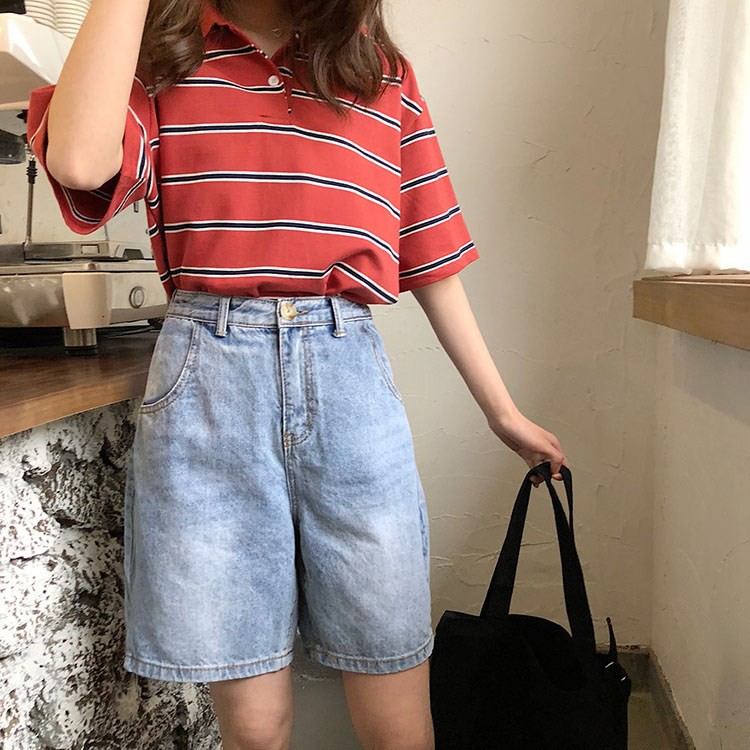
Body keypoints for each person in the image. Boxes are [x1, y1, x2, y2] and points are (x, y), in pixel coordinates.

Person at [25, 0, 569, 748]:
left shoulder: (382, 76)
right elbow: (80, 162)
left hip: (349, 381)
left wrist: (500, 411)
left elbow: (432, 256)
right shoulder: (165, 64)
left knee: (398, 722)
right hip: (207, 390)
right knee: (255, 729)